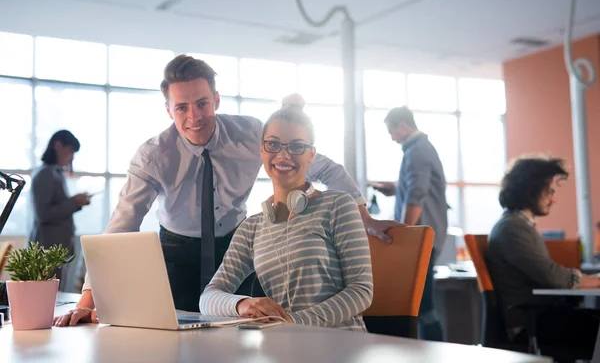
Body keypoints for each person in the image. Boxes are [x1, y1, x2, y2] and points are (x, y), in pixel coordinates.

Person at [54, 55, 397, 327]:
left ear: (216, 99)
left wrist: (362, 215)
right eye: (182, 107)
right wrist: (87, 302)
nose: (194, 116)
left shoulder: (250, 133)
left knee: (242, 333)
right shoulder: (154, 155)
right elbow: (120, 228)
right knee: (177, 337)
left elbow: (320, 165)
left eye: (202, 103)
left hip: (237, 248)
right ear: (168, 109)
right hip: (178, 251)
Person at [200, 105, 373, 330]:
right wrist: (242, 304)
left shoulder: (338, 206)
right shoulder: (252, 227)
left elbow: (361, 290)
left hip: (342, 344)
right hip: (285, 347)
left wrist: (294, 322)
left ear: (311, 154)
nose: (283, 155)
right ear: (261, 149)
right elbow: (208, 298)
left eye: (297, 146)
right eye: (273, 144)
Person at [486, 156, 600, 354]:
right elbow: (553, 277)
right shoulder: (512, 228)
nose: (553, 199)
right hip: (529, 326)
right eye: (550, 192)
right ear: (530, 189)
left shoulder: (519, 226)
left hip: (539, 318)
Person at [370, 106, 447, 341]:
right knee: (422, 307)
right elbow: (416, 187)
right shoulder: (420, 150)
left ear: (402, 125)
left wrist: (403, 237)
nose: (392, 138)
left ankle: (434, 355)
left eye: (391, 131)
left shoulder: (417, 152)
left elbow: (416, 196)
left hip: (420, 240)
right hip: (426, 237)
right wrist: (395, 188)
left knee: (423, 309)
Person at [29, 130, 90, 286]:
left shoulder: (55, 173)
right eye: (70, 151)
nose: (71, 156)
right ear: (57, 145)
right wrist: (74, 202)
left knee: (55, 297)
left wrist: (75, 203)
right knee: (47, 298)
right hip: (46, 250)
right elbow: (43, 214)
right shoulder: (44, 174)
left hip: (55, 250)